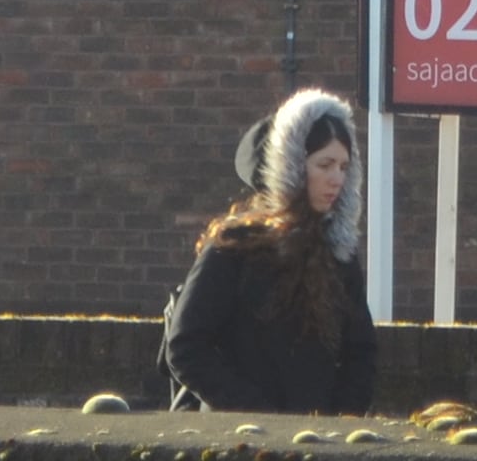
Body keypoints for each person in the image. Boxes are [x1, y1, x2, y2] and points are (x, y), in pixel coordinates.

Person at [159, 87, 377, 414]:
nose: (336, 179)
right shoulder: (235, 244)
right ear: (291, 166)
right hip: (239, 432)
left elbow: (360, 352)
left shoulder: (338, 251)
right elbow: (186, 346)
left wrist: (338, 420)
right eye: (325, 165)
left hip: (316, 435)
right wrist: (252, 411)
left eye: (344, 167)